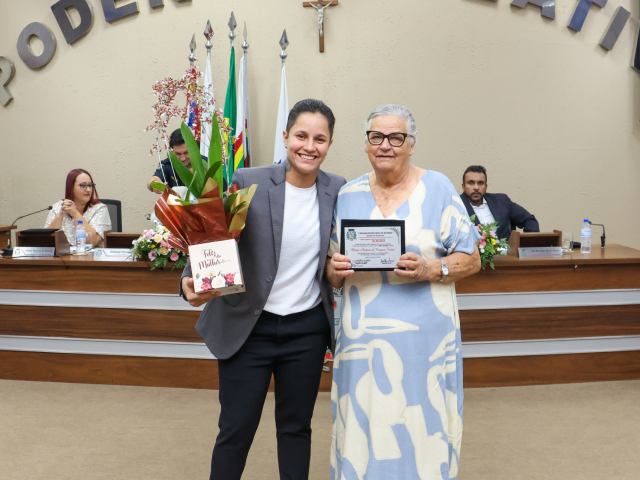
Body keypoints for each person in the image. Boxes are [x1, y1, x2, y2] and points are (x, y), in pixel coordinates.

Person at [180, 99, 346, 480]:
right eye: (301, 135)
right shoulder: (248, 182)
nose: (309, 146)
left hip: (305, 330)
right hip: (247, 327)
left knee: (295, 429)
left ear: (330, 144)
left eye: (320, 139)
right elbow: (213, 235)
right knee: (236, 430)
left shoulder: (338, 189)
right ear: (285, 137)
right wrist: (190, 279)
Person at [327, 104, 481, 480]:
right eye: (376, 137)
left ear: (411, 144)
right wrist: (333, 271)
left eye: (396, 138)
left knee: (422, 421)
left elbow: (472, 259)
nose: (385, 145)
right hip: (361, 340)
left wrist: (433, 267)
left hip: (426, 341)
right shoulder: (347, 194)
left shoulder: (440, 188)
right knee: (362, 423)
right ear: (366, 144)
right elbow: (331, 269)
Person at [460, 165, 539, 240]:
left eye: (480, 183)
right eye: (471, 183)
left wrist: (527, 244)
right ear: (463, 187)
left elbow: (529, 220)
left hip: (507, 253)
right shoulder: (456, 206)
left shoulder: (502, 201)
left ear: (486, 186)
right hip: (473, 253)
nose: (476, 188)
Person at [45, 169, 112, 245]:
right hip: (62, 256)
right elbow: (47, 240)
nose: (88, 190)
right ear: (71, 188)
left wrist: (75, 214)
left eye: (90, 185)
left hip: (91, 256)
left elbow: (94, 241)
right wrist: (60, 216)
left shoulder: (99, 209)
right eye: (83, 185)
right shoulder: (58, 207)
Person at [147, 129, 192, 193]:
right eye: (178, 154)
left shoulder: (204, 162)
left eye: (186, 153)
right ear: (172, 151)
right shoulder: (167, 164)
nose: (183, 158)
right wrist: (155, 184)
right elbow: (153, 180)